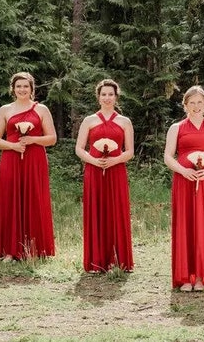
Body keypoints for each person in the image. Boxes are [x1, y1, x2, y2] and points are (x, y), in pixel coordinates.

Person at [164, 85, 204, 292]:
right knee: (186, 223)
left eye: (200, 102)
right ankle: (186, 277)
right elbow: (167, 156)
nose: (196, 106)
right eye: (192, 103)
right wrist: (183, 171)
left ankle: (201, 277)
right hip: (184, 180)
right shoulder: (176, 128)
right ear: (185, 105)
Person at [0, 72, 57, 261]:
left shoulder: (41, 109)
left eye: (26, 86)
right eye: (18, 86)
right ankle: (8, 250)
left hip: (35, 160)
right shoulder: (5, 110)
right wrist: (13, 146)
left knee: (34, 198)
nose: (22, 89)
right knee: (9, 200)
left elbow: (52, 139)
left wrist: (32, 139)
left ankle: (34, 249)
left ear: (32, 88)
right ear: (13, 88)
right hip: (10, 159)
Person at [75, 79, 134, 272]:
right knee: (96, 210)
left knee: (117, 211)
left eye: (111, 94)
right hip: (94, 170)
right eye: (104, 94)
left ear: (116, 97)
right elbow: (79, 148)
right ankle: (96, 260)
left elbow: (129, 151)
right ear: (98, 97)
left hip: (116, 170)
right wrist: (93, 161)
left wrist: (114, 161)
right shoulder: (89, 120)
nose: (107, 98)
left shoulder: (124, 121)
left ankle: (119, 260)